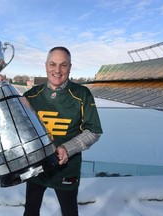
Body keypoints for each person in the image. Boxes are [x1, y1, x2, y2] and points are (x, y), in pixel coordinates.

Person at [23, 46, 103, 216]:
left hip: (67, 169)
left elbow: (93, 131)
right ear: (46, 66)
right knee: (30, 211)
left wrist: (67, 148)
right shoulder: (30, 95)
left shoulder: (82, 94)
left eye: (63, 65)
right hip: (37, 168)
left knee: (69, 212)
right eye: (53, 64)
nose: (57, 70)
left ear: (70, 67)